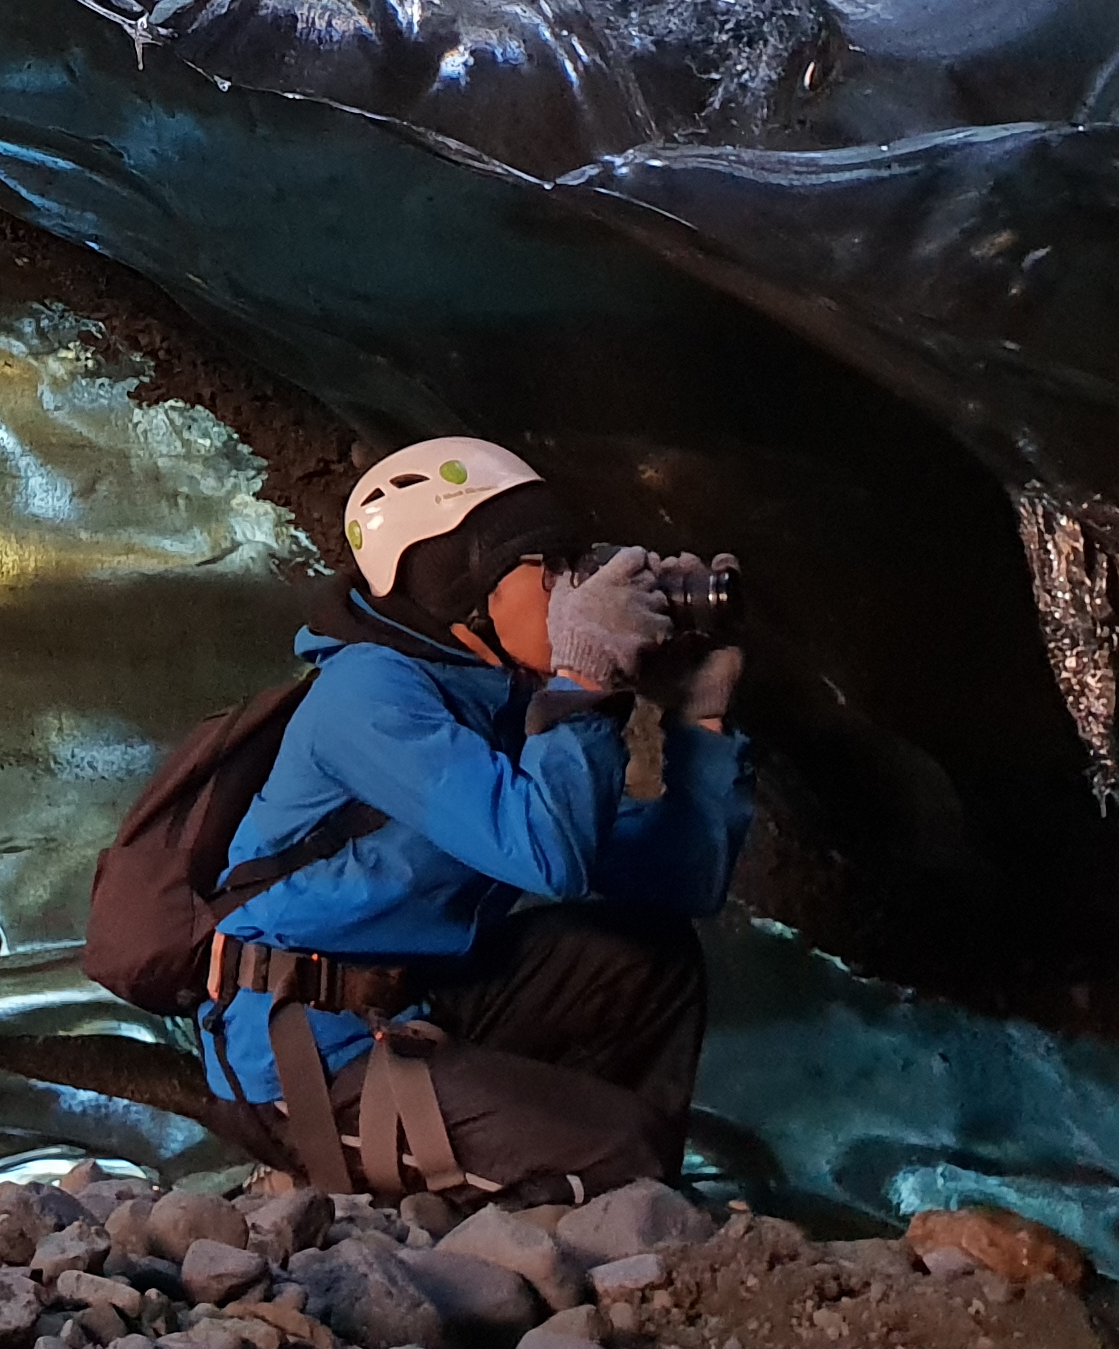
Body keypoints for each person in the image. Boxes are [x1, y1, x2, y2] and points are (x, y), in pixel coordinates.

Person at [197, 436, 749, 1202]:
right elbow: (546, 855)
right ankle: (596, 1191)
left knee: (644, 958)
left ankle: (593, 1178)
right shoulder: (368, 698)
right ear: (460, 583)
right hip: (308, 1057)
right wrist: (584, 676)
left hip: (418, 1001)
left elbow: (681, 879)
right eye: (548, 569)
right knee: (621, 1162)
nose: (569, 590)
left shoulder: (493, 696)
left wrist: (697, 720)